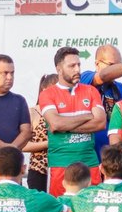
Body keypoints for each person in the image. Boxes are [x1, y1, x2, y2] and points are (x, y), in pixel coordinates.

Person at [38, 47, 106, 197]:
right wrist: (87, 116)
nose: (77, 69)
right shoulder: (48, 94)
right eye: (71, 66)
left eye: (79, 65)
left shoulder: (90, 90)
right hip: (61, 165)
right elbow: (56, 124)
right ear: (59, 69)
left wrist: (65, 125)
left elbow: (100, 123)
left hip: (90, 164)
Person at [23, 74, 59, 192]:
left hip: (60, 168)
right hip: (39, 171)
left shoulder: (64, 111)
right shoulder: (33, 112)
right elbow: (23, 145)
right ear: (44, 90)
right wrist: (49, 143)